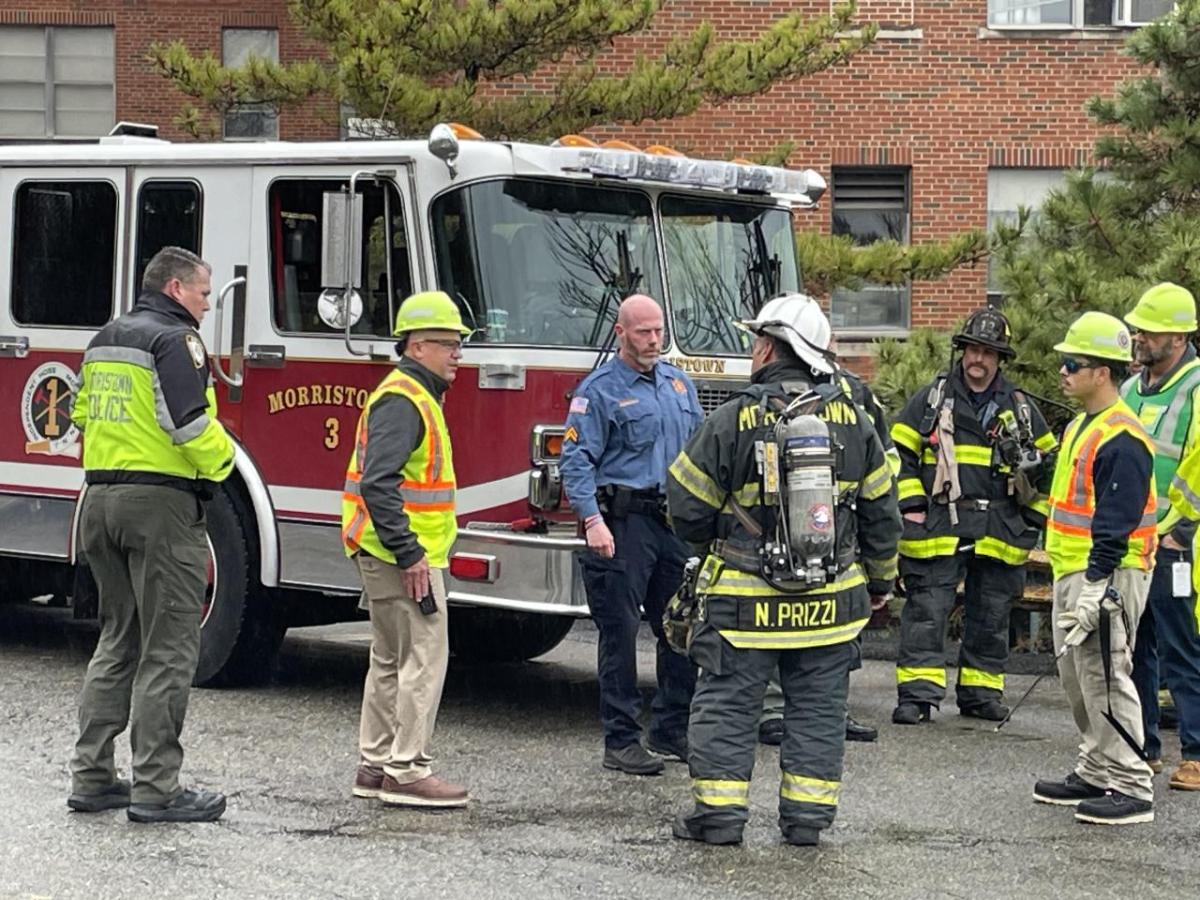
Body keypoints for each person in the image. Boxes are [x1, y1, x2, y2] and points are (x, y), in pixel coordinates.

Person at [666, 293, 900, 847]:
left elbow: (684, 507)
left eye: (756, 341)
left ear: (769, 346)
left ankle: (720, 819)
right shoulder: (854, 420)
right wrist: (883, 581)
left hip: (745, 607)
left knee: (728, 706)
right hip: (830, 607)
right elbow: (882, 516)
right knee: (819, 714)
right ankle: (805, 822)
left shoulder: (732, 418)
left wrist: (720, 539)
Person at [66, 247, 235, 823]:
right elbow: (189, 424)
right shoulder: (176, 341)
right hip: (160, 508)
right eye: (204, 293)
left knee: (118, 638)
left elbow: (80, 417)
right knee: (168, 647)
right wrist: (225, 464)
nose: (208, 305)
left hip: (100, 502)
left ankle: (91, 777)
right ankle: (157, 788)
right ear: (174, 288)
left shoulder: (105, 339)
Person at [890, 308, 1057, 724]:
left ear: (1001, 359)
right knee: (926, 611)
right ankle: (918, 695)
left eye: (988, 352)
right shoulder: (931, 400)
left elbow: (1052, 469)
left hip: (999, 528)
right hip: (938, 526)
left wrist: (1032, 521)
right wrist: (911, 507)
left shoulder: (1019, 408)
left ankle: (981, 694)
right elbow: (899, 456)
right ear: (962, 352)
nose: (978, 360)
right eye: (972, 350)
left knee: (992, 614)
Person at [559, 294, 702, 775]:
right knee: (619, 632)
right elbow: (576, 461)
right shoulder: (598, 390)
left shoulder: (679, 385)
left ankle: (670, 728)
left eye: (659, 330)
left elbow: (698, 453)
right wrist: (592, 521)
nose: (654, 340)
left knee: (681, 626)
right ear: (620, 333)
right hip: (622, 523)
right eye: (644, 332)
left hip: (672, 523)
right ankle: (621, 739)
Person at [343, 290, 471, 808]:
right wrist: (412, 553)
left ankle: (375, 766)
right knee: (424, 656)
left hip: (382, 550)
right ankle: (407, 769)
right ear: (418, 346)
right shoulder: (405, 399)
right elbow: (380, 483)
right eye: (449, 344)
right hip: (403, 556)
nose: (458, 354)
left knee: (391, 658)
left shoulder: (407, 394)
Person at [1033, 312, 1158, 826]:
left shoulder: (1122, 438)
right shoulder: (1083, 425)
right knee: (1079, 677)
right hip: (1075, 569)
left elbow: (1116, 519)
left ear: (1100, 372)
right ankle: (1097, 767)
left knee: (1105, 675)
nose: (1062, 372)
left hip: (1108, 574)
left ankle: (1132, 784)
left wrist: (1096, 584)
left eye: (1071, 364)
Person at [758, 311, 899, 747]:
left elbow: (886, 460)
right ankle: (774, 711)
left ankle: (833, 710)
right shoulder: (767, 396)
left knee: (837, 628)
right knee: (777, 615)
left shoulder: (855, 393)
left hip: (842, 527)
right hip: (786, 524)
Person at [1123, 283, 1200, 786]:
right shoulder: (1130, 390)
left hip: (1175, 544)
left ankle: (1195, 753)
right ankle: (1142, 748)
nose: (1138, 337)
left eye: (1148, 330)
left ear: (1177, 337)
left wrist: (1182, 532)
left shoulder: (1196, 387)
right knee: (1134, 649)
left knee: (1183, 648)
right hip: (1137, 542)